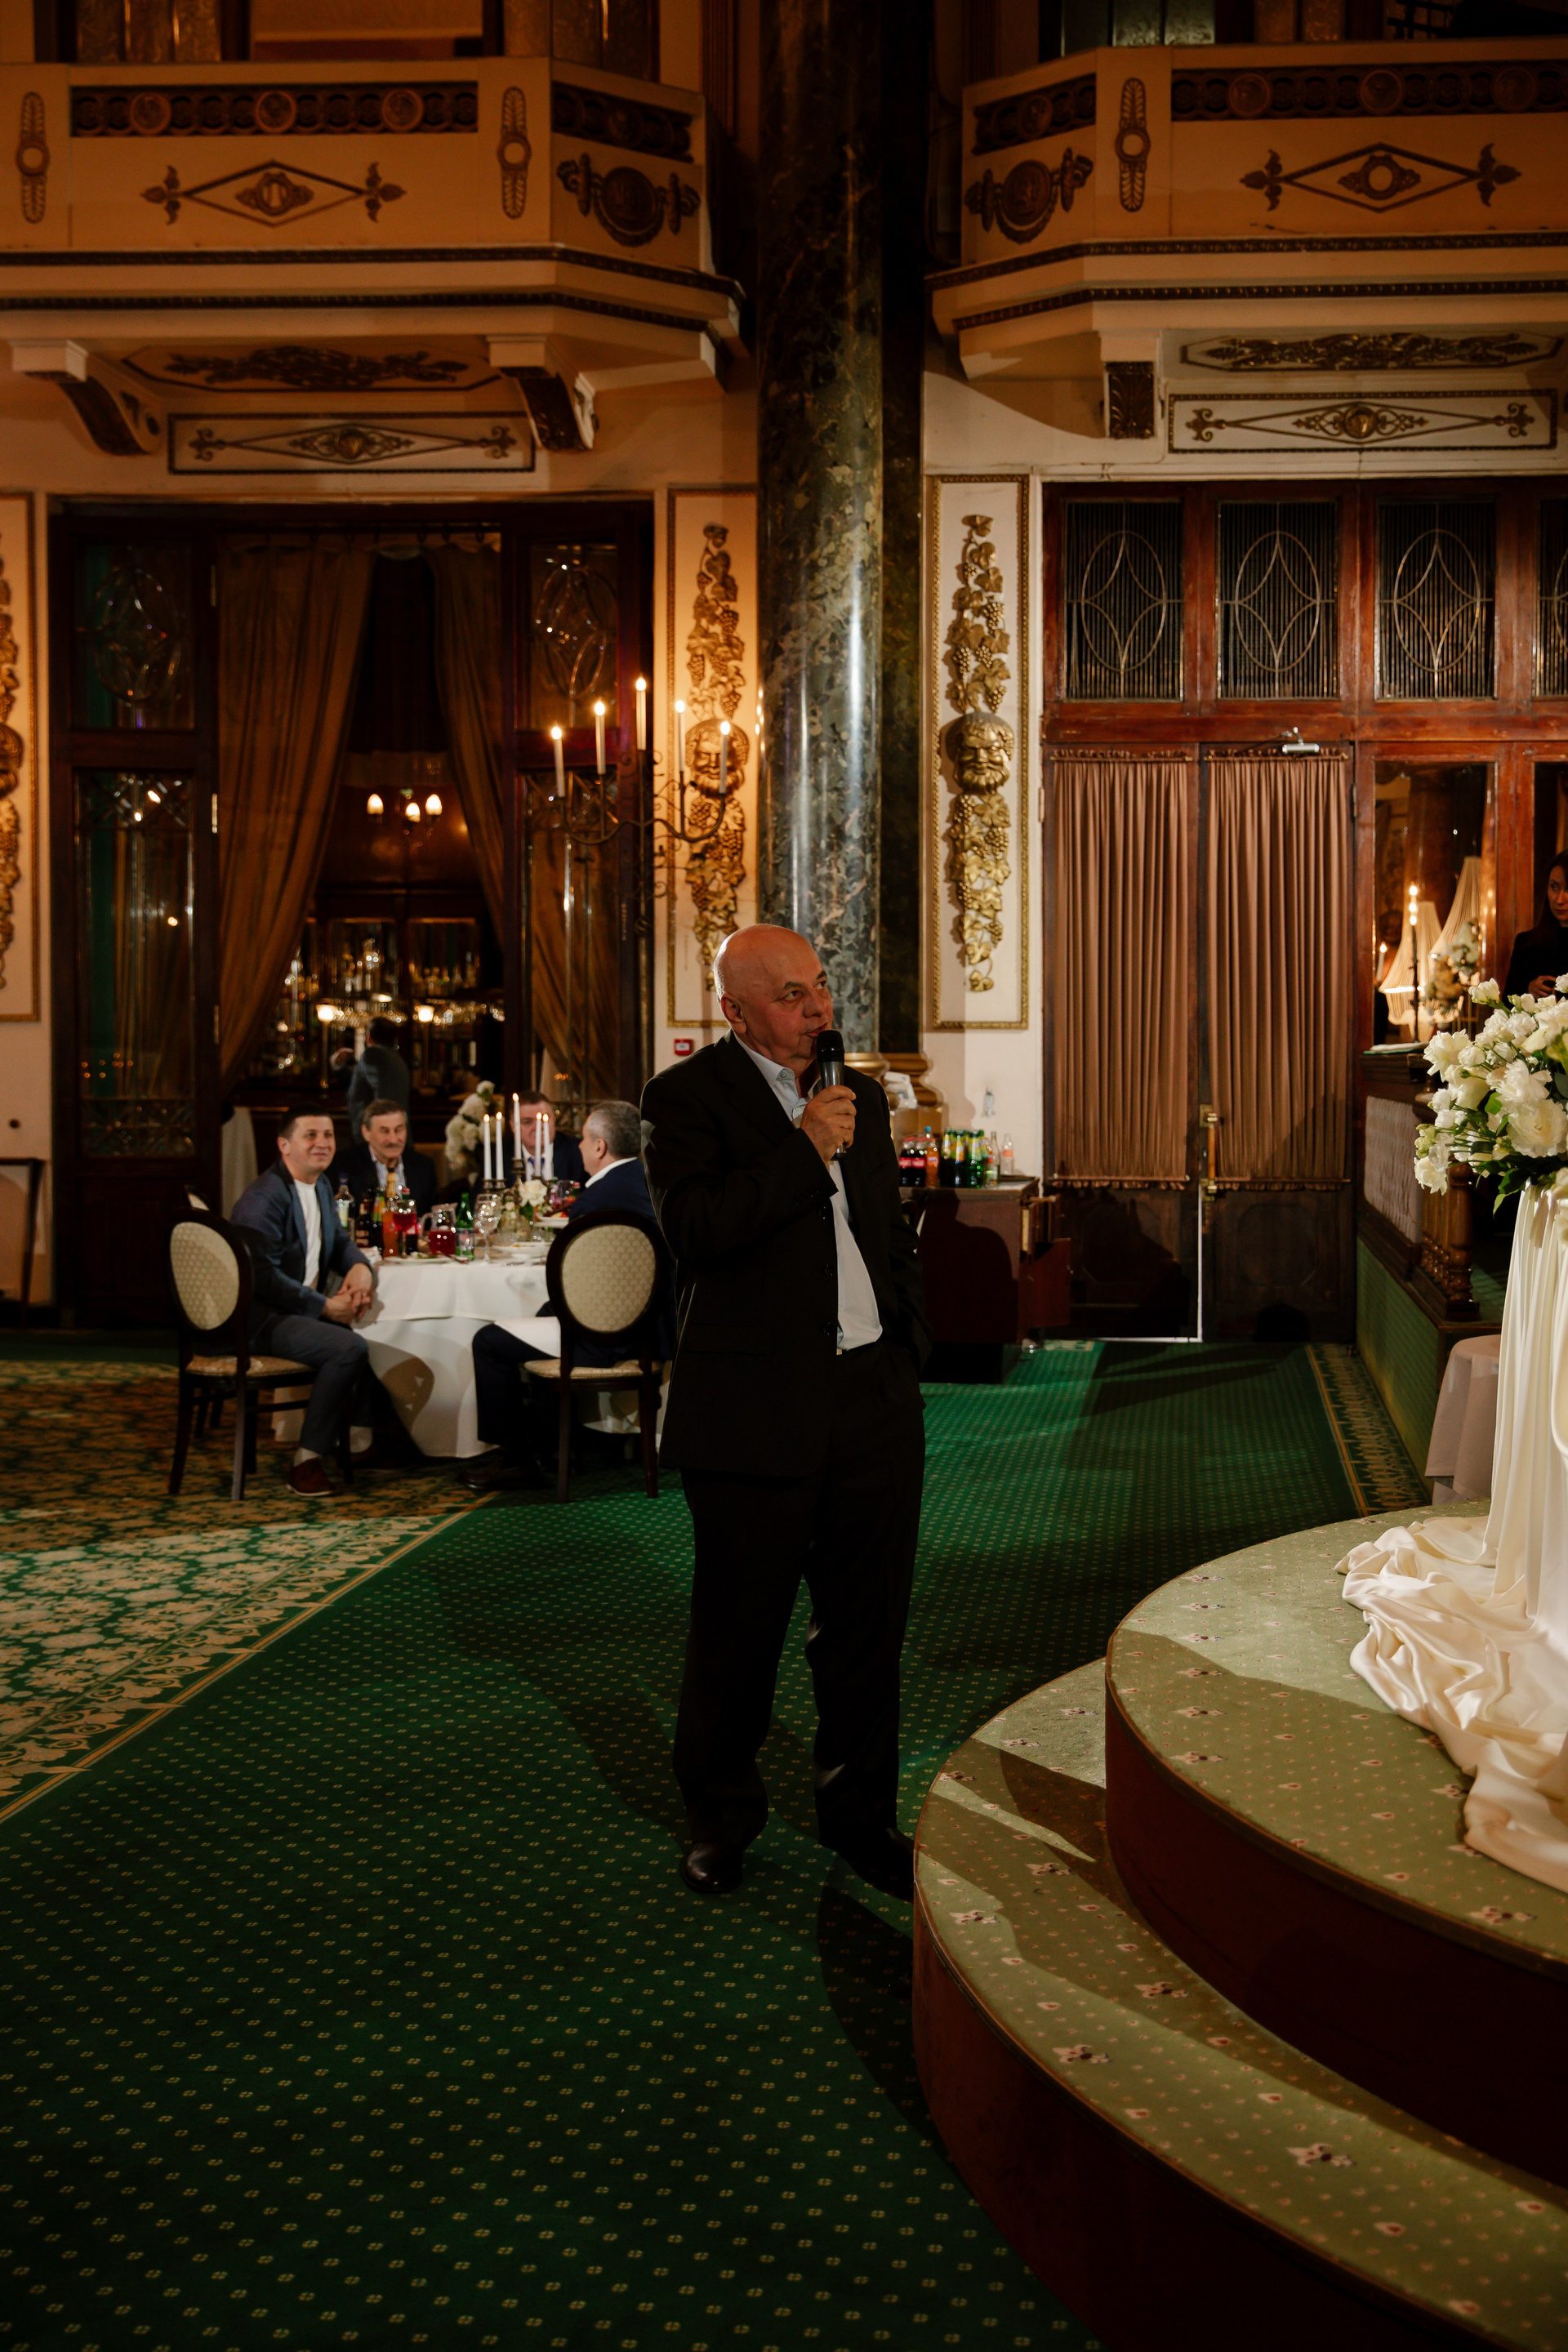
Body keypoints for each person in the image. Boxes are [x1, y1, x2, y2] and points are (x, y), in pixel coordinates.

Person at [639, 924, 930, 1902]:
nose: (818, 1010)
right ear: (734, 1011)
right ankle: (721, 1819)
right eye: (791, 997)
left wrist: (906, 1347)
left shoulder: (863, 1098)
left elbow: (885, 1233)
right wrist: (804, 1147)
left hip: (871, 1401)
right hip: (753, 1412)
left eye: (819, 987)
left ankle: (862, 1818)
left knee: (867, 1628)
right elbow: (698, 1230)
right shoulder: (684, 1100)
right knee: (739, 1634)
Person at [463, 1099, 672, 1492]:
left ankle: (517, 1458)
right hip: (653, 1330)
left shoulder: (595, 1200)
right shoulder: (653, 1182)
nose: (578, 1146)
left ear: (600, 1147)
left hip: (604, 1339)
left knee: (489, 1341)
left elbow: (575, 1289)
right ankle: (549, 1445)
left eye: (584, 1139)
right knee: (537, 1319)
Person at [229, 1106, 397, 1499]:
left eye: (328, 1135)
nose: (322, 1143)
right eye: (311, 1136)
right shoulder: (264, 1198)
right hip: (261, 1318)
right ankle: (306, 1461)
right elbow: (263, 1280)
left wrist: (360, 1268)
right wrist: (323, 1307)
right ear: (284, 1145)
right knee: (347, 1347)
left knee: (378, 1331)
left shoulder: (318, 1184)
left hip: (292, 1310)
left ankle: (358, 1444)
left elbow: (337, 1240)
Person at [335, 1098, 436, 1214]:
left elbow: (431, 1216)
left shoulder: (424, 1167)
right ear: (366, 1132)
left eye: (398, 1130)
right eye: (385, 1131)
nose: (393, 1140)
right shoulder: (343, 1165)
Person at [333, 1017, 411, 1142]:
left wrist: (378, 1131)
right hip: (392, 1130)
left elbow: (382, 1097)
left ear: (368, 1037)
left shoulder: (373, 1054)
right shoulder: (397, 1058)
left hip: (378, 1135)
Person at [1503, 854, 1568, 998]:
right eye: (1554, 887)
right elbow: (1507, 1002)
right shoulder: (1527, 943)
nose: (1559, 899)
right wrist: (1528, 992)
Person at [514, 1089, 586, 1187]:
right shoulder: (500, 1157)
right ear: (513, 1126)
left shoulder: (580, 1152)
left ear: (554, 1119)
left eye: (545, 1119)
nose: (539, 1127)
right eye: (528, 1122)